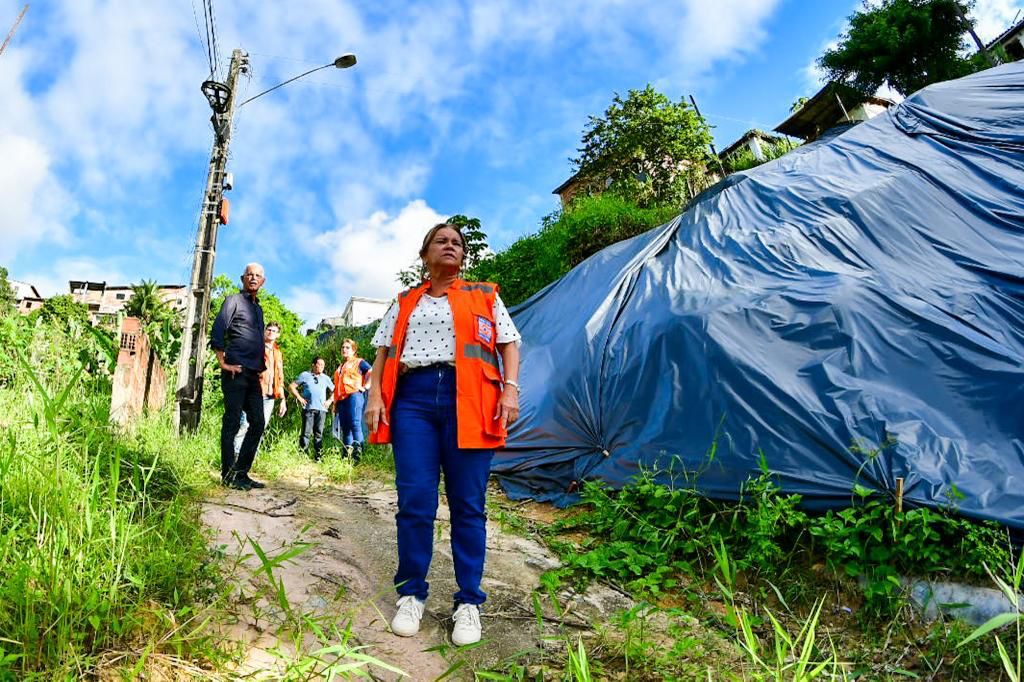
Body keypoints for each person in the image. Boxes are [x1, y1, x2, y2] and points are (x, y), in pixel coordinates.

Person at [365, 222, 522, 647]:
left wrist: (510, 390)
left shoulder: (484, 296)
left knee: (468, 505)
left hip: (469, 399)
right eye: (441, 240)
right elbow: (382, 354)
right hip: (413, 402)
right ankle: (411, 593)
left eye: (457, 242)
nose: (450, 246)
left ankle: (468, 602)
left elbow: (509, 344)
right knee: (415, 500)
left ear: (462, 256)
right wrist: (374, 398)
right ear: (425, 255)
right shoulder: (404, 301)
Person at [211, 262, 269, 491]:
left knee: (258, 422)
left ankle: (241, 473)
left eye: (258, 276)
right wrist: (222, 362)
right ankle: (227, 476)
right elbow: (218, 329)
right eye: (250, 275)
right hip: (235, 372)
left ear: (263, 281)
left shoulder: (258, 309)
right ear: (243, 278)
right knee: (232, 422)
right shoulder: (233, 300)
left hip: (253, 375)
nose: (253, 278)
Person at [233, 321, 288, 458]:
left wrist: (283, 399)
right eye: (268, 329)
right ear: (264, 331)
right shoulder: (255, 347)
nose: (271, 332)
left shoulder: (278, 353)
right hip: (254, 393)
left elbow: (280, 376)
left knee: (260, 427)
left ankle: (250, 458)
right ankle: (236, 455)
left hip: (270, 396)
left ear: (278, 335)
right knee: (245, 424)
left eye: (274, 331)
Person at [331, 338, 372, 462]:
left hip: (354, 395)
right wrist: (335, 403)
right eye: (343, 347)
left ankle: (358, 454)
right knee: (345, 427)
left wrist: (365, 387)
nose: (344, 349)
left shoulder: (359, 362)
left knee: (355, 423)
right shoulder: (340, 367)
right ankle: (346, 455)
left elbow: (371, 371)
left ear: (353, 350)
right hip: (341, 399)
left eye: (347, 347)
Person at [290, 357, 334, 461]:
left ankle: (318, 457)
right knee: (306, 433)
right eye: (319, 364)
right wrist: (299, 398)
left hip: (321, 409)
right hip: (309, 408)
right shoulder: (305, 375)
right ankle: (302, 456)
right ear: (313, 365)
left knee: (318, 434)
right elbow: (292, 386)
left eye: (323, 365)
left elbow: (335, 391)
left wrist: (329, 401)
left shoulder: (326, 378)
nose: (321, 367)